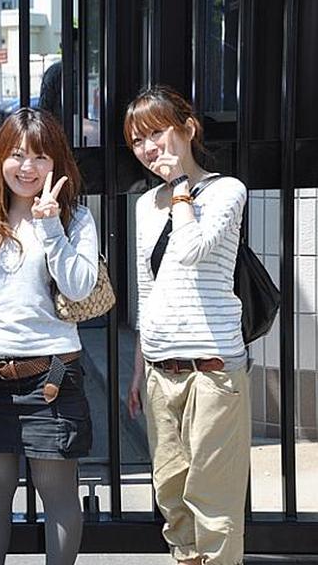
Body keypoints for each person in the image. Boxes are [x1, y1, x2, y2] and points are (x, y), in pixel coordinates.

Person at [0, 107, 98, 565]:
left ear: (58, 163)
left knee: (57, 490)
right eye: (17, 155)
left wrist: (51, 226)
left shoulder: (76, 219)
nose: (28, 167)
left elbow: (79, 287)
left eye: (40, 156)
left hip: (52, 373)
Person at [125, 85, 249, 565]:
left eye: (157, 133)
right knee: (173, 501)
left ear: (187, 129)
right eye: (137, 140)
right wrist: (139, 368)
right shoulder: (143, 205)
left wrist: (180, 186)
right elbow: (146, 290)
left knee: (213, 507)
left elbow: (194, 250)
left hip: (212, 369)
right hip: (160, 369)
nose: (148, 147)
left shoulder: (225, 190)